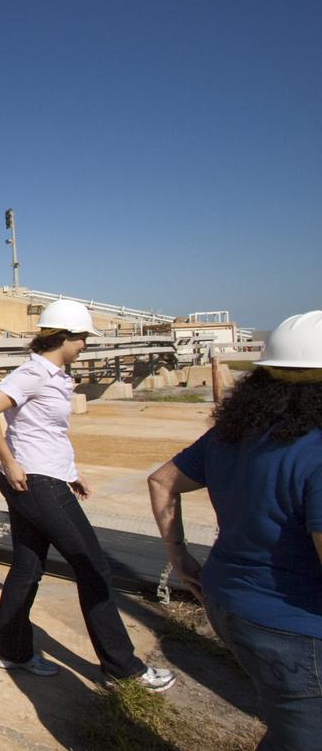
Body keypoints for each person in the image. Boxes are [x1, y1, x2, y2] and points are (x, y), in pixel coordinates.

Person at [0, 299, 173, 690]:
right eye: (82, 337)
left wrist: (71, 474)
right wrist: (10, 462)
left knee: (28, 567)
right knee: (93, 566)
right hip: (34, 482)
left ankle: (12, 651)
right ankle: (122, 667)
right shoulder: (34, 373)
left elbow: (47, 434)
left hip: (45, 478)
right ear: (62, 336)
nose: (85, 344)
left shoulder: (55, 375)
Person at [149, 311, 322, 749]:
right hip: (296, 631)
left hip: (230, 605)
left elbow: (162, 481)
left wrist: (177, 554)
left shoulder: (234, 432)